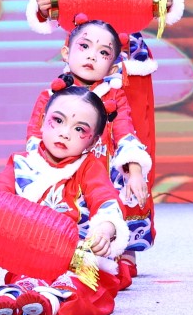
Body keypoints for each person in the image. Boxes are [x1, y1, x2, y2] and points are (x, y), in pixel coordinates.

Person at [30, 0, 184, 256]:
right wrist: (42, 5)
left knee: (132, 143)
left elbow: (157, 4)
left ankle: (128, 238)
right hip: (85, 75)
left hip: (130, 72)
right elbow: (53, 15)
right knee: (83, 143)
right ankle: (82, 230)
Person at [0, 87, 128, 315]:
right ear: (42, 121)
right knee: (25, 279)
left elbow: (105, 197)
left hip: (76, 257)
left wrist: (105, 228)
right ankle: (10, 302)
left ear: (92, 141)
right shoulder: (21, 163)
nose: (64, 133)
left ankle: (49, 302)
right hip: (33, 253)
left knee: (78, 286)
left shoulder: (89, 167)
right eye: (57, 121)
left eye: (79, 129)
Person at [22, 19, 151, 286]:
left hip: (100, 172)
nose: (92, 56)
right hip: (64, 173)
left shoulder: (113, 96)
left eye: (103, 52)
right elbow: (35, 136)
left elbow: (125, 131)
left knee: (122, 185)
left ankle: (121, 251)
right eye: (84, 46)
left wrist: (136, 170)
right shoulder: (51, 95)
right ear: (66, 52)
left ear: (112, 66)